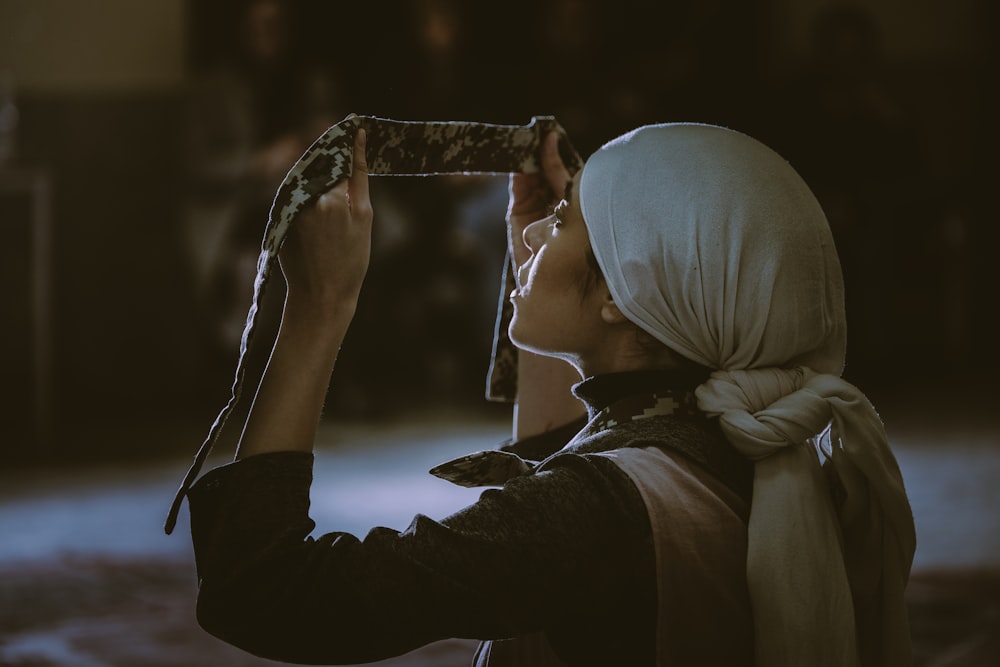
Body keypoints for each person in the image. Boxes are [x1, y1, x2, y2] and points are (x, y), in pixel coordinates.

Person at [187, 122, 916, 666]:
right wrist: (538, 262)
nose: (536, 231)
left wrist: (318, 306)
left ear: (624, 294)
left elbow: (263, 587)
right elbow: (576, 472)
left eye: (564, 221)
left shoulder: (588, 513)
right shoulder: (738, 437)